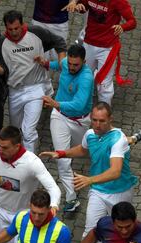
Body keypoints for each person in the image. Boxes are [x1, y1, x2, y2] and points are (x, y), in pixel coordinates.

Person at [39, 102, 138, 243]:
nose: (97, 125)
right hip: (98, 192)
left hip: (120, 193)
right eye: (94, 120)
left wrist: (89, 180)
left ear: (110, 119)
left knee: (121, 232)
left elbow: (115, 171)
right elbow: (83, 150)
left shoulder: (118, 139)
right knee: (90, 232)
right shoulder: (91, 134)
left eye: (102, 121)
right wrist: (61, 153)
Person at [0, 10, 66, 153]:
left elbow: (59, 42)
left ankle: (30, 162)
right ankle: (16, 156)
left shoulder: (36, 33)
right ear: (5, 28)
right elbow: (4, 70)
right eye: (10, 29)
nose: (14, 32)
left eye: (16, 28)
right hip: (15, 92)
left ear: (22, 24)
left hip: (36, 89)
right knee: (16, 130)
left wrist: (62, 61)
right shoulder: (1, 43)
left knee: (28, 131)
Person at [36, 44, 93, 212]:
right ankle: (71, 198)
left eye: (76, 65)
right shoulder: (67, 63)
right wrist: (46, 63)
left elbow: (79, 104)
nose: (72, 67)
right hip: (59, 116)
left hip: (80, 121)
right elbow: (59, 65)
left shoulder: (87, 78)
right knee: (62, 158)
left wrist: (56, 103)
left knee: (85, 151)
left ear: (84, 61)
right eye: (71, 63)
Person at [64, 0, 137, 105]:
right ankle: (80, 106)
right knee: (84, 76)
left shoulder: (119, 1)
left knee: (104, 85)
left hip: (107, 48)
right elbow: (83, 6)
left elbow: (132, 22)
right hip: (88, 43)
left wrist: (122, 27)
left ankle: (104, 112)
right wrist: (79, 6)